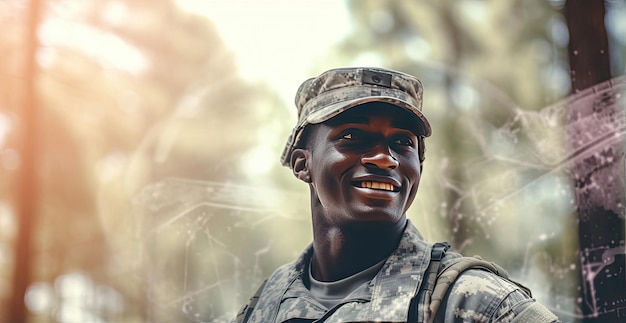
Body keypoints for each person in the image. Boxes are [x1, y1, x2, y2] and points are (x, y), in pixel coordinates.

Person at [233, 67, 560, 322]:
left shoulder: (474, 302)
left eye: (403, 142)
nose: (385, 157)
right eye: (352, 135)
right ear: (303, 163)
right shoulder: (264, 306)